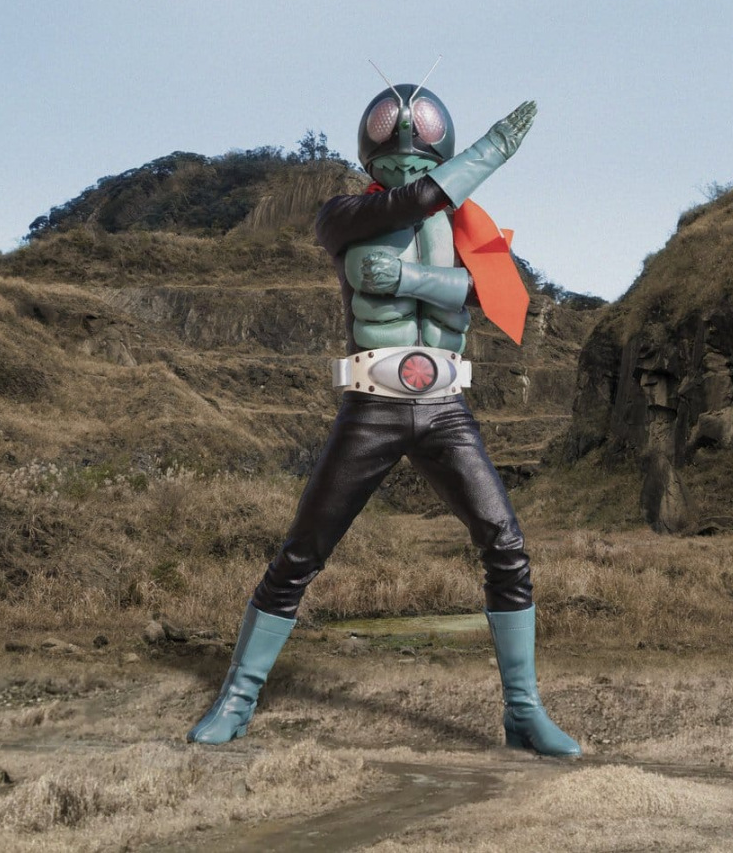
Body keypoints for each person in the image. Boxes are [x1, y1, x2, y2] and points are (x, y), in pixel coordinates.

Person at [187, 77, 581, 758]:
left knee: (507, 549)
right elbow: (414, 204)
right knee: (301, 553)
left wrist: (408, 280)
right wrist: (491, 150)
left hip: (445, 408)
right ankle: (236, 700)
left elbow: (497, 294)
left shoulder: (468, 228)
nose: (408, 165)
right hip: (371, 405)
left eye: (419, 153)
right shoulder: (344, 215)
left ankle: (523, 712)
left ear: (440, 152)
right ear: (369, 157)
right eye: (394, 156)